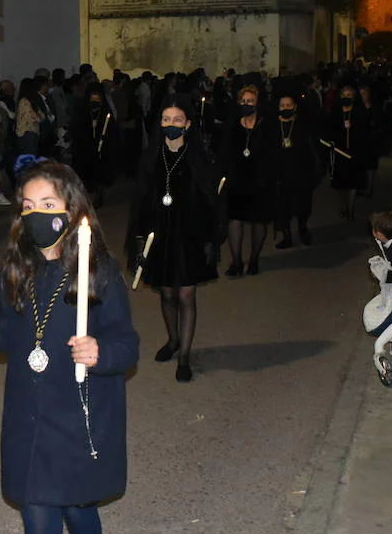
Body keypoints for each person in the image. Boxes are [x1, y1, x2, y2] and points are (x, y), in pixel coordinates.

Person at [0, 161, 137, 534]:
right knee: (39, 528)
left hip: (79, 414)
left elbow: (128, 344)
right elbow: (2, 334)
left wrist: (101, 351)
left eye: (48, 205)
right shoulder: (17, 271)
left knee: (80, 515)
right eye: (28, 206)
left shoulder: (97, 272)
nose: (37, 214)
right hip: (31, 419)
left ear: (73, 210)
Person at [127, 95, 221, 383]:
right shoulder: (151, 157)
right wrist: (140, 239)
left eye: (177, 120)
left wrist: (209, 239)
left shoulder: (197, 158)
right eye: (166, 120)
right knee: (167, 292)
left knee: (186, 294)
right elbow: (141, 201)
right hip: (160, 235)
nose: (171, 125)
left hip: (190, 235)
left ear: (188, 124)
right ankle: (173, 340)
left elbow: (209, 202)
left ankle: (185, 356)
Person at [218, 85, 275, 277]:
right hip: (237, 180)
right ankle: (236, 261)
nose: (246, 104)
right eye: (243, 101)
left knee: (258, 222)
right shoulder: (233, 124)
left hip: (259, 180)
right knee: (234, 220)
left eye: (250, 101)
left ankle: (254, 260)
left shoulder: (266, 125)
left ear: (258, 103)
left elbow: (271, 153)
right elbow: (224, 151)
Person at [271, 93, 319, 249]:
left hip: (301, 172)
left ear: (295, 107)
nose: (285, 108)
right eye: (282, 106)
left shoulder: (302, 125)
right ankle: (286, 235)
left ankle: (303, 229)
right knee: (283, 207)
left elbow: (310, 148)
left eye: (288, 105)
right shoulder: (271, 126)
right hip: (280, 174)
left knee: (303, 205)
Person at [326, 83, 368, 222]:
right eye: (344, 95)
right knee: (340, 183)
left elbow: (365, 131)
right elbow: (329, 129)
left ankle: (350, 209)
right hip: (339, 152)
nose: (346, 97)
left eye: (349, 95)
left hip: (355, 152)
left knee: (353, 182)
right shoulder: (336, 111)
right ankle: (344, 205)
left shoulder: (359, 111)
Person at [70, 84, 115, 208]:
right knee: (86, 173)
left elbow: (112, 130)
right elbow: (77, 128)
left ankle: (99, 195)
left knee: (99, 173)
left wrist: (105, 138)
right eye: (92, 100)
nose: (94, 102)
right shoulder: (83, 111)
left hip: (101, 149)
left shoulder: (106, 112)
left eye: (97, 100)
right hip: (86, 148)